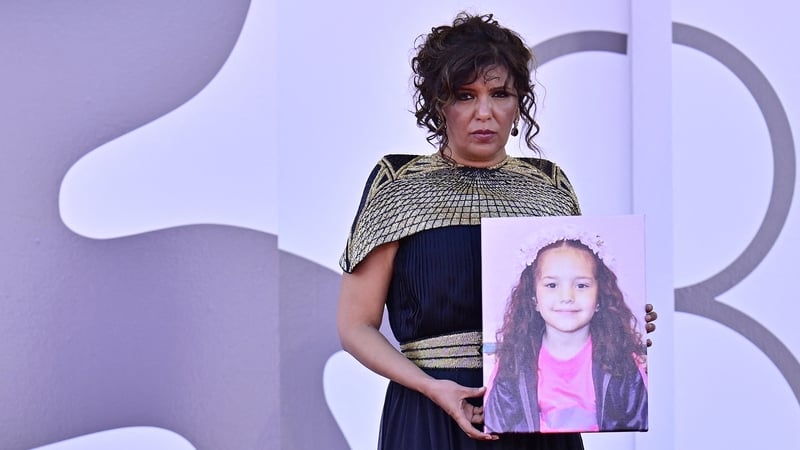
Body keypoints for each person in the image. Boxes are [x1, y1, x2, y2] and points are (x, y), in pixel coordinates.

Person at [337, 12, 657, 449]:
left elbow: (567, 306)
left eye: (500, 94)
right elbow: (355, 326)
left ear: (519, 101)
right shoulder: (397, 184)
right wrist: (432, 387)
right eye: (465, 95)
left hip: (536, 416)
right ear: (438, 104)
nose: (484, 113)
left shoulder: (550, 186)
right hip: (429, 414)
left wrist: (621, 317)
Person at [484, 229, 648, 434]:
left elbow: (640, 426)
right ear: (534, 299)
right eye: (552, 284)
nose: (567, 296)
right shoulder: (513, 363)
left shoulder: (624, 363)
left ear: (600, 298)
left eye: (581, 285)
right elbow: (497, 425)